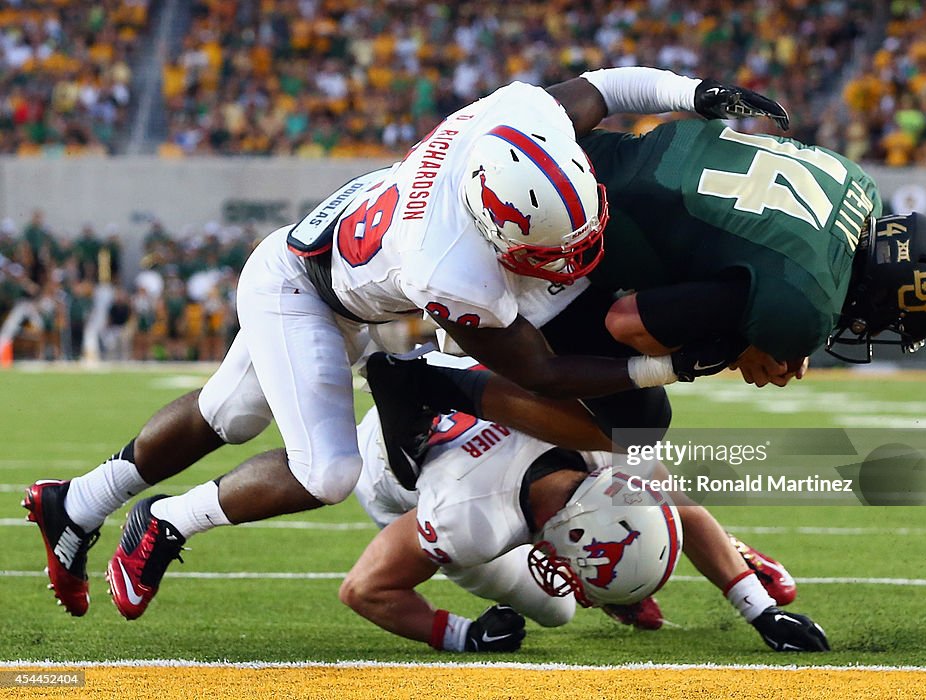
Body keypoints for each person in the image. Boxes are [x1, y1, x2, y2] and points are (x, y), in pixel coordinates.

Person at [22, 68, 790, 618]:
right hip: (304, 291)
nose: (571, 253)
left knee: (229, 414)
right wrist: (672, 363)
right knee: (324, 472)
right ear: (493, 225)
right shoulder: (448, 270)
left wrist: (695, 96)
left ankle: (76, 502)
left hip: (340, 262)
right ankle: (164, 519)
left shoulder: (520, 122)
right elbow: (545, 373)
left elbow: (604, 87)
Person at [368, 118, 926, 480]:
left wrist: (750, 319)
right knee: (638, 424)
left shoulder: (852, 179)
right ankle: (431, 383)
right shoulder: (806, 304)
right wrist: (741, 343)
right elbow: (628, 324)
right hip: (554, 228)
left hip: (577, 156)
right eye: (882, 320)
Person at [340, 357, 828, 653]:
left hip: (470, 424)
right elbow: (365, 589)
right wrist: (461, 635)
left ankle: (626, 585)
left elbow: (675, 502)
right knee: (558, 610)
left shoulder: (603, 450)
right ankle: (621, 588)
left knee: (649, 480)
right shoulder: (469, 525)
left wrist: (758, 609)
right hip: (393, 471)